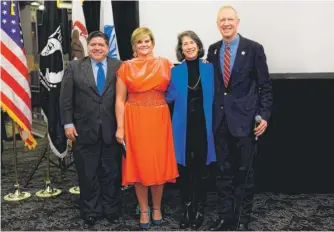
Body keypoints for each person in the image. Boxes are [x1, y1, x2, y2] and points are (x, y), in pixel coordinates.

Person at [207, 5, 273, 231]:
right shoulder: (213, 50)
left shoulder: (254, 49)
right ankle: (226, 217)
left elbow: (265, 85)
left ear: (237, 22)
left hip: (246, 122)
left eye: (230, 19)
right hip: (220, 121)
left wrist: (263, 115)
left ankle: (243, 219)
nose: (226, 23)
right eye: (222, 20)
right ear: (217, 24)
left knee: (245, 172)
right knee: (223, 172)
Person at [115, 27, 179, 229]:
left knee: (158, 165)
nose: (143, 45)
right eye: (139, 42)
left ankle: (157, 207)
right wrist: (120, 127)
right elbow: (119, 100)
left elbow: (185, 78)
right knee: (139, 165)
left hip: (159, 119)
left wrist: (201, 62)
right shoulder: (125, 67)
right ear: (134, 46)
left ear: (152, 43)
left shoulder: (166, 64)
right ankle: (144, 209)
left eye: (147, 41)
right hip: (135, 119)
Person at [60, 31, 122, 229]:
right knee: (88, 174)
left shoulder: (119, 66)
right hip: (83, 131)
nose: (97, 48)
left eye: (101, 45)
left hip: (112, 131)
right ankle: (90, 211)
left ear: (107, 47)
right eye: (93, 44)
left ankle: (111, 210)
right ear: (88, 46)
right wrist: (67, 124)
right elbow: (65, 99)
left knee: (111, 173)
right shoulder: (75, 67)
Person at [165, 31, 216, 230]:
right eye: (184, 44)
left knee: (202, 170)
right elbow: (168, 98)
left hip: (204, 126)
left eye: (192, 42)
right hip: (182, 128)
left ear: (198, 45)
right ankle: (187, 209)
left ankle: (200, 209)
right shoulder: (175, 72)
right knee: (184, 170)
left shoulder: (210, 68)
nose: (188, 46)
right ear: (181, 49)